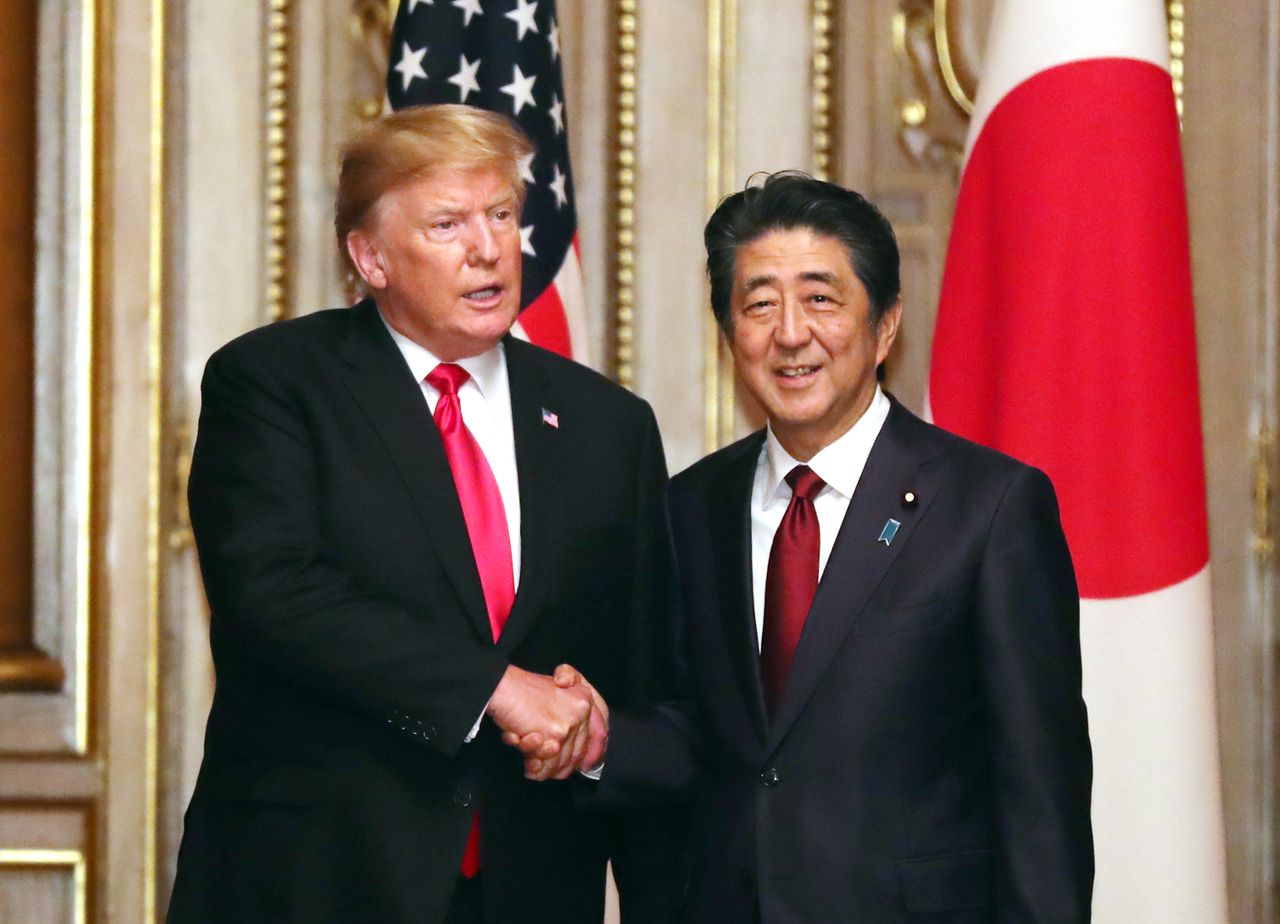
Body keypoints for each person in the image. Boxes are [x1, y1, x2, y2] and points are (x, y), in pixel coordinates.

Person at [167, 104, 681, 924]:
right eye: (448, 224)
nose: (488, 248)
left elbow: (651, 666)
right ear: (370, 257)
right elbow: (276, 596)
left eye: (503, 216)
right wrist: (498, 691)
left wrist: (592, 728)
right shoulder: (275, 384)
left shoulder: (607, 427)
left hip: (532, 888)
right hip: (320, 880)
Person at [550, 172, 1094, 921]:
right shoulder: (691, 506)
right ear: (730, 335)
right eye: (759, 303)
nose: (790, 333)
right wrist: (599, 739)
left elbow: (1041, 795)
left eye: (821, 298)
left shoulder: (990, 508)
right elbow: (701, 735)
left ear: (885, 328)